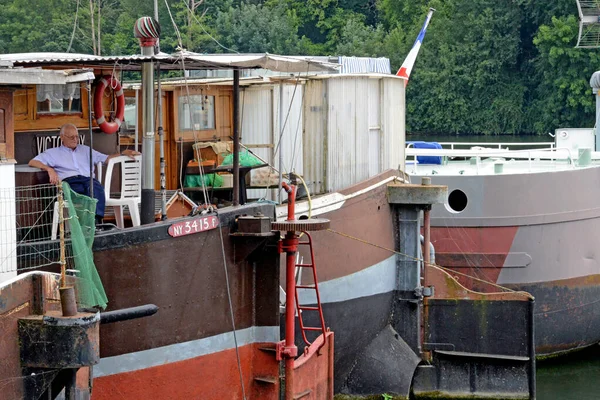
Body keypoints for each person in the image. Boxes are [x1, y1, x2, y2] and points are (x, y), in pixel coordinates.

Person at [29, 123, 140, 224]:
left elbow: (106, 159)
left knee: (95, 188)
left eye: (77, 136)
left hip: (88, 180)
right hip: (70, 182)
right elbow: (32, 162)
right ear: (62, 137)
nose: (75, 139)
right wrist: (49, 169)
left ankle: (95, 222)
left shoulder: (86, 150)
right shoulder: (53, 153)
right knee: (85, 193)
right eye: (71, 137)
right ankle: (89, 225)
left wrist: (122, 153)